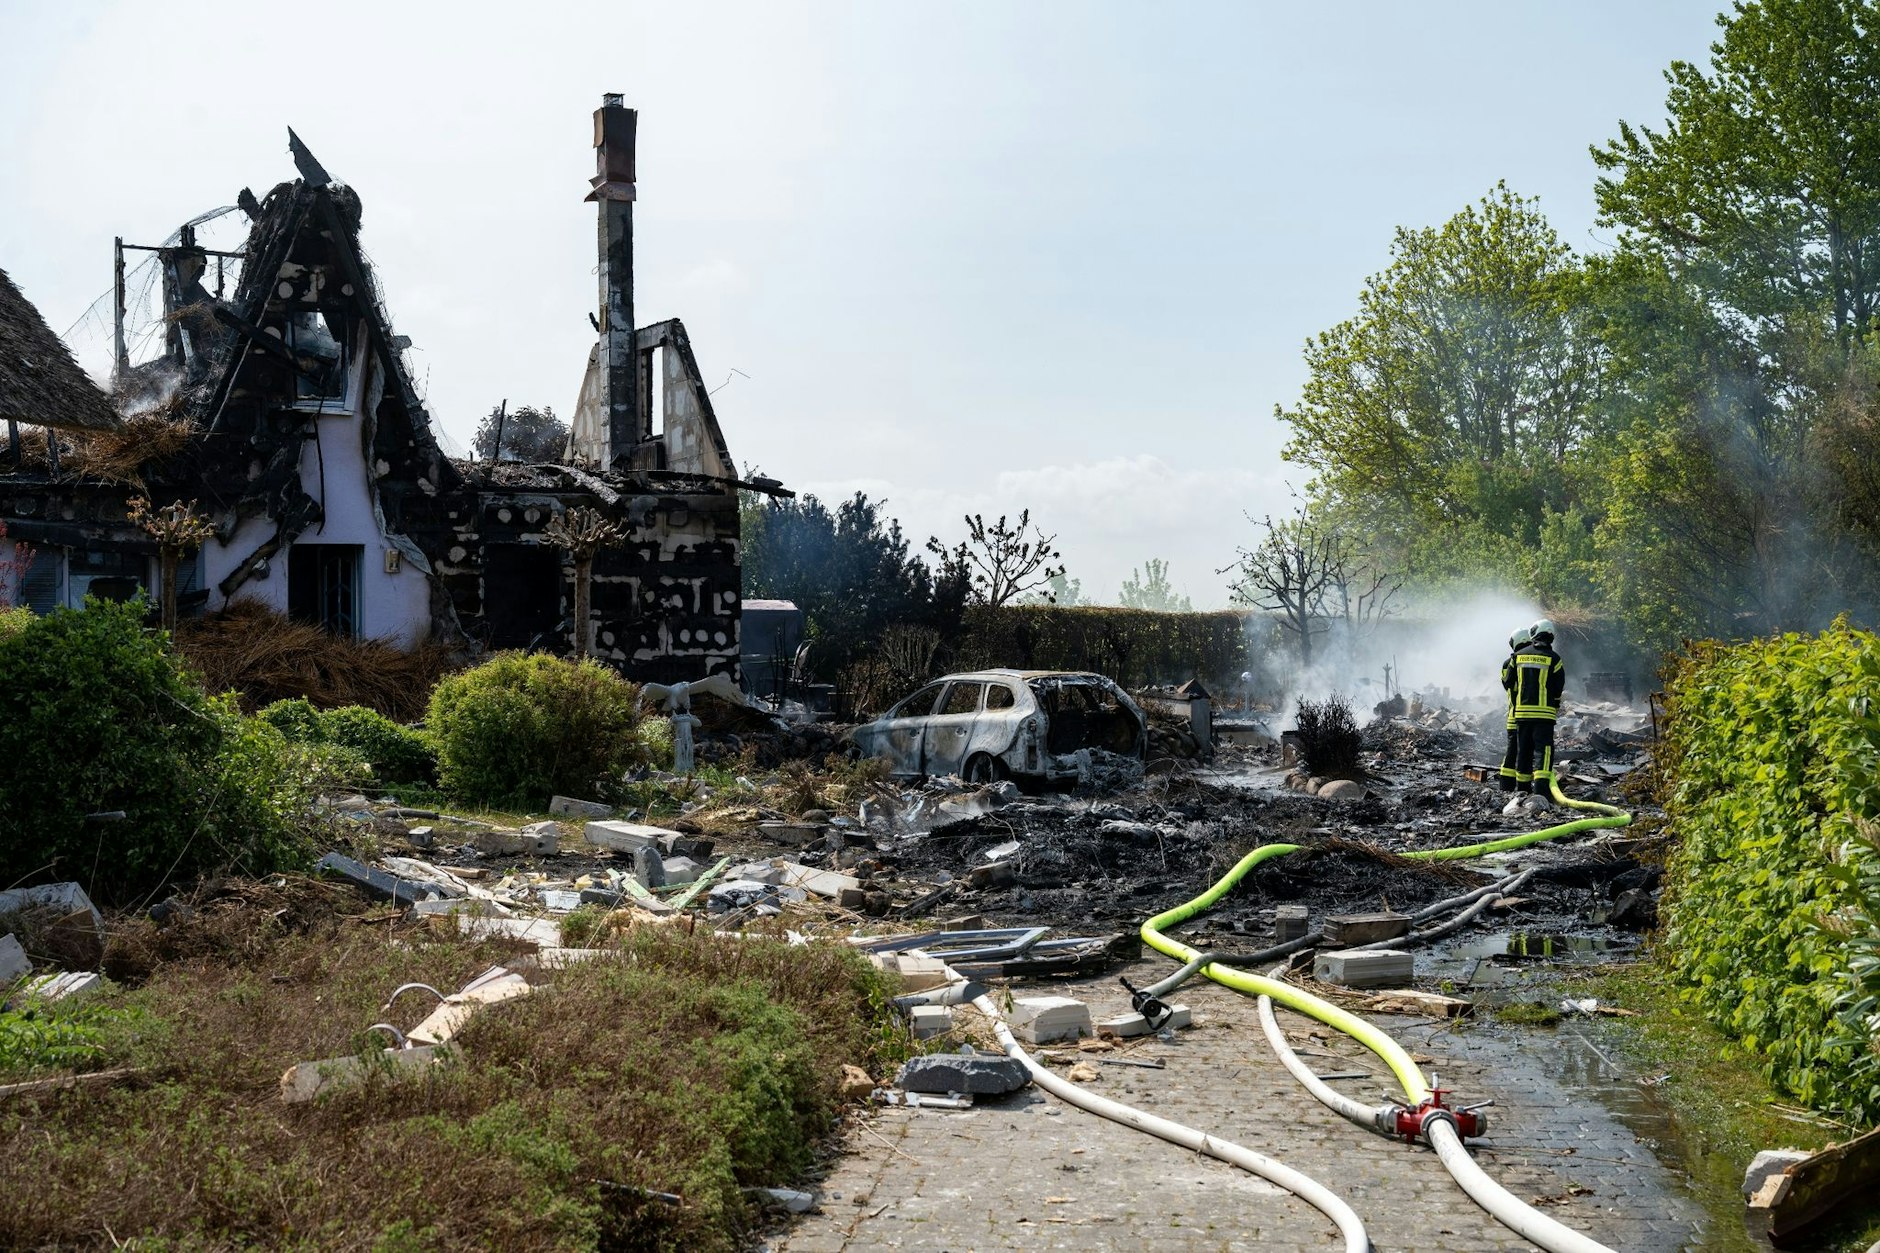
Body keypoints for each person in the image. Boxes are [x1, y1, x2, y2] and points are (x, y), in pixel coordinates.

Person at [1502, 618, 1565, 815]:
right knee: (1543, 752)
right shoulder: (1554, 659)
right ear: (1551, 637)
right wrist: (1554, 703)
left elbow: (1508, 682)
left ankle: (1522, 790)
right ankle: (1541, 791)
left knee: (1524, 751)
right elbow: (1558, 687)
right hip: (1544, 715)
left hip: (1521, 714)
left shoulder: (1518, 657)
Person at [1497, 626, 1531, 794]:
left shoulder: (1508, 663)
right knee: (1524, 752)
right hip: (1526, 717)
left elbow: (1506, 684)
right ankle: (1523, 787)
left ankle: (1506, 786)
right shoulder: (1523, 662)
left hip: (1513, 715)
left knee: (1512, 752)